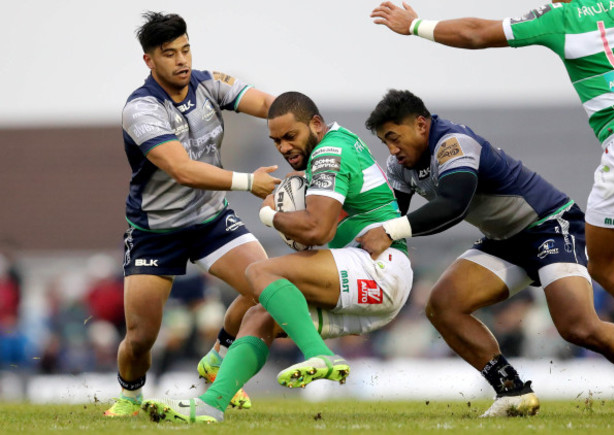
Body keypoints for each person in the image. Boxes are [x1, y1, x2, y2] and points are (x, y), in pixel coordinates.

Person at [357, 89, 614, 417]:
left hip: (549, 225)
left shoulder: (452, 143)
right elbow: (389, 220)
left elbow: (453, 205)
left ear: (421, 125)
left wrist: (388, 232)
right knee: (443, 307)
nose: (392, 150)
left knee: (578, 327)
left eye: (395, 138)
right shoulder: (400, 166)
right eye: (385, 142)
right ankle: (512, 392)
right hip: (504, 240)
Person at [370, 1, 614, 327]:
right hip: (508, 238)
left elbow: (476, 32)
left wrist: (416, 26)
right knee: (449, 305)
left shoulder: (563, 16)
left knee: (607, 266)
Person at [139, 91, 414, 423]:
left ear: (315, 124)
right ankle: (211, 404)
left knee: (258, 272)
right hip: (373, 280)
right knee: (259, 315)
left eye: (290, 136)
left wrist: (270, 215)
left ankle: (318, 356)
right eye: (276, 141)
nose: (284, 147)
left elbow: (317, 231)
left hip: (379, 269)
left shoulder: (329, 152)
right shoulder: (337, 144)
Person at [104, 11, 281, 417]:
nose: (182, 60)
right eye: (170, 54)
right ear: (149, 60)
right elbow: (182, 170)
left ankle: (219, 359)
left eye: (185, 50)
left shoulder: (208, 82)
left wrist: (313, 126)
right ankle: (130, 394)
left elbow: (271, 105)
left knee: (271, 290)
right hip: (156, 230)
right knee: (141, 338)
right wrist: (246, 183)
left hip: (211, 222)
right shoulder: (140, 109)